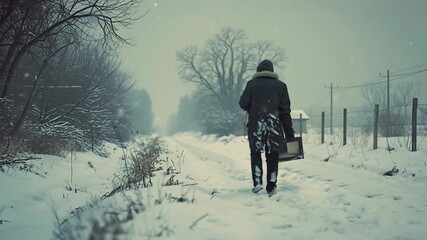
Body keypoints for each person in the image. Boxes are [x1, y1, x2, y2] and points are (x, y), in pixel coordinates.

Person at [239, 59, 294, 197]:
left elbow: (243, 103)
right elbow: (285, 111)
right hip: (274, 124)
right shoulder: (281, 86)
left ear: (258, 71)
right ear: (272, 71)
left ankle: (257, 182)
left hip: (256, 125)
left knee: (256, 152)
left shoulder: (251, 84)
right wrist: (289, 134)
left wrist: (253, 106)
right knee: (273, 154)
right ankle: (271, 185)